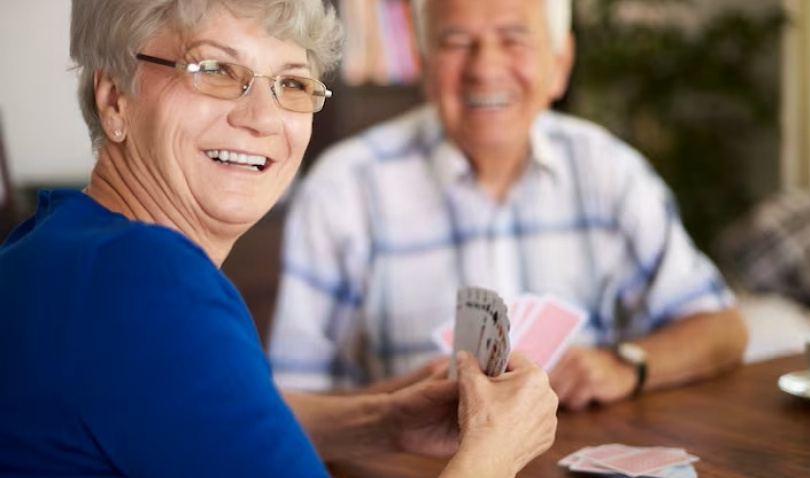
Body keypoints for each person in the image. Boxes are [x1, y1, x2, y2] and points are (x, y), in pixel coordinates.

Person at [0, 1, 559, 476]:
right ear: (113, 96)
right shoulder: (148, 281)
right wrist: (494, 448)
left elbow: (176, 419)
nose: (263, 118)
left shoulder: (63, 245)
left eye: (292, 83)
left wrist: (376, 423)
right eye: (215, 68)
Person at [268, 0, 749, 409]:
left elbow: (723, 328)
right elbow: (287, 404)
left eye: (514, 39)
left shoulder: (609, 170)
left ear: (560, 65)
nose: (486, 68)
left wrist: (626, 364)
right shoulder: (343, 187)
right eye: (458, 42)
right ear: (425, 63)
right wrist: (400, 404)